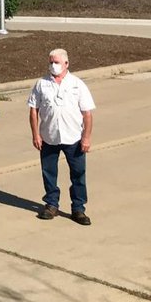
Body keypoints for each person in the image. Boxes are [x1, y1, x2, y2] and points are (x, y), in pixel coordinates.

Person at [28, 49, 95, 225]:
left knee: (78, 174)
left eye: (56, 62)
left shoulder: (77, 84)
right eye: (51, 62)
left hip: (73, 138)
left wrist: (86, 137)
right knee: (49, 172)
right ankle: (51, 204)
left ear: (66, 64)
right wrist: (36, 134)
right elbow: (33, 110)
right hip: (49, 137)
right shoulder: (41, 84)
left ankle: (78, 209)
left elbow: (87, 114)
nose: (53, 65)